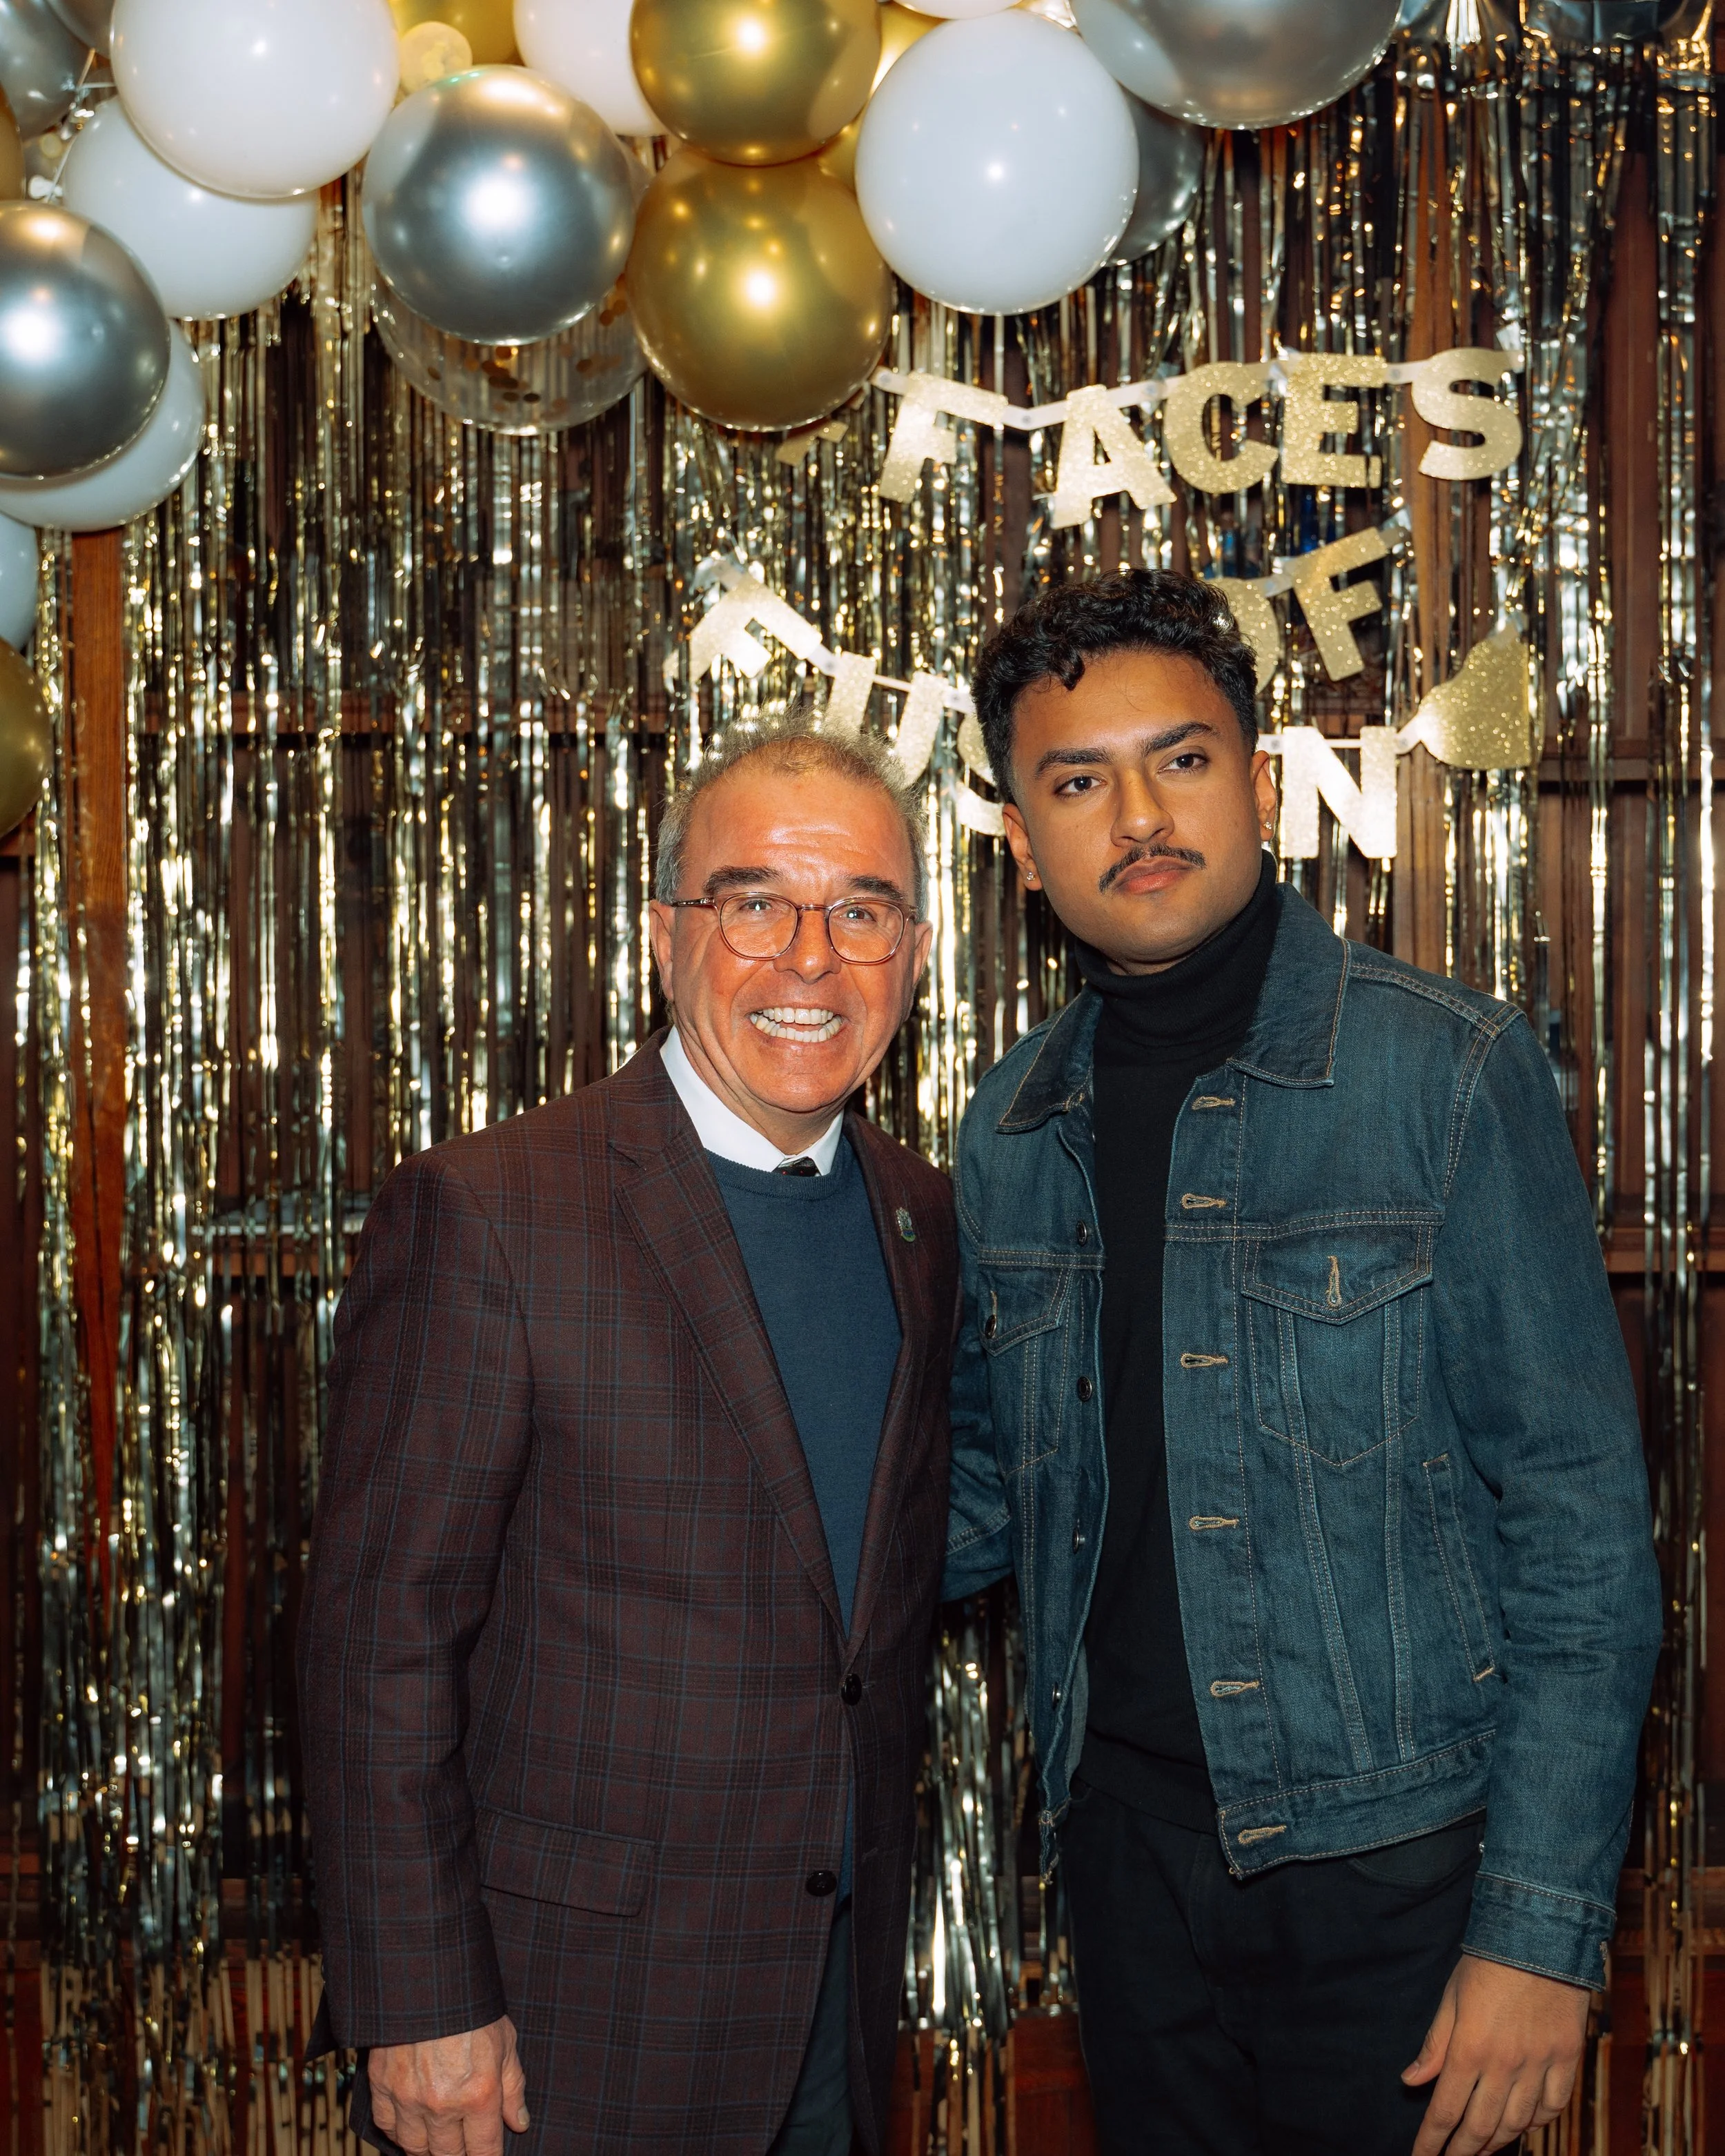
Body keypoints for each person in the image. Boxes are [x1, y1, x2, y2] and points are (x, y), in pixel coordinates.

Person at [941, 568, 1660, 2156]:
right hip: (1123, 1871)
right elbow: (980, 1493)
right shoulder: (1007, 1130)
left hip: (1398, 1869)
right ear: (1019, 842)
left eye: (1182, 759)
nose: (1139, 814)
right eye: (1076, 781)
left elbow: (1579, 1527)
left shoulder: (1442, 1073)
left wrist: (1536, 1929)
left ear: (1261, 785)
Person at [299, 718, 956, 2156]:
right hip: (563, 2021)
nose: (810, 958)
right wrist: (419, 1999)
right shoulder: (492, 1211)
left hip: (834, 2008)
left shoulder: (922, 1216)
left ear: (912, 956)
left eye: (861, 911)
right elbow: (377, 1644)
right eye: (753, 903)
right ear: (666, 938)